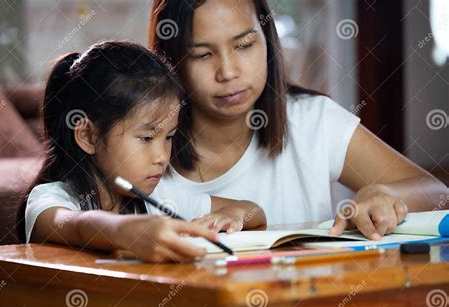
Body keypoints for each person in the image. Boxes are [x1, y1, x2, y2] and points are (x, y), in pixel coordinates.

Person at [149, 0, 448, 240]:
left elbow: (439, 195)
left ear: (267, 40)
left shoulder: (313, 121)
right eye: (202, 55)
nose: (227, 72)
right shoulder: (142, 146)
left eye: (243, 45)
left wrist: (386, 194)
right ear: (171, 61)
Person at [17, 41, 265, 262]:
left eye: (168, 137)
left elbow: (253, 211)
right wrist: (125, 230)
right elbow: (77, 225)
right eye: (146, 138)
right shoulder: (49, 199)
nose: (161, 157)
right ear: (88, 136)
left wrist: (233, 214)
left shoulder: (161, 197)